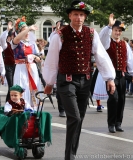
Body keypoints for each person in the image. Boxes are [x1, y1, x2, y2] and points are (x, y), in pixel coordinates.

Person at [43, 1, 116, 159]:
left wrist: (109, 78)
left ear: (85, 17)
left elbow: (101, 56)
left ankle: (71, 155)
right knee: (75, 117)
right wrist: (49, 82)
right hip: (66, 81)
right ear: (70, 16)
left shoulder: (91, 33)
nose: (79, 18)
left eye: (82, 15)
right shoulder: (59, 35)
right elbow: (52, 60)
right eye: (75, 14)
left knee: (79, 119)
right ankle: (69, 157)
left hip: (85, 81)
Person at [99, 14, 133, 133]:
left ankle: (118, 123)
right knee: (113, 98)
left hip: (121, 75)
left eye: (119, 31)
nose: (118, 33)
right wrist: (109, 26)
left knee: (121, 99)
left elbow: (130, 60)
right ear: (112, 31)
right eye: (116, 30)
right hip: (111, 76)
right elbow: (102, 38)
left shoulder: (125, 44)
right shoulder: (106, 42)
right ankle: (111, 123)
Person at [11, 16, 42, 108]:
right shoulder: (16, 43)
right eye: (25, 31)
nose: (28, 33)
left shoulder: (32, 43)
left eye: (28, 31)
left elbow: (40, 58)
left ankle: (34, 108)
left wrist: (35, 57)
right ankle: (22, 107)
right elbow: (17, 38)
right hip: (21, 68)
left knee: (33, 86)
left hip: (32, 68)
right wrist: (28, 28)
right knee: (22, 86)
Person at [0, 21, 16, 102]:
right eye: (13, 36)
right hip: (8, 66)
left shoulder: (17, 44)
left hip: (17, 66)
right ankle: (8, 103)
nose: (14, 37)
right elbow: (1, 39)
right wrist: (7, 30)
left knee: (15, 86)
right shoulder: (6, 45)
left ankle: (13, 102)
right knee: (11, 86)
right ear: (10, 37)